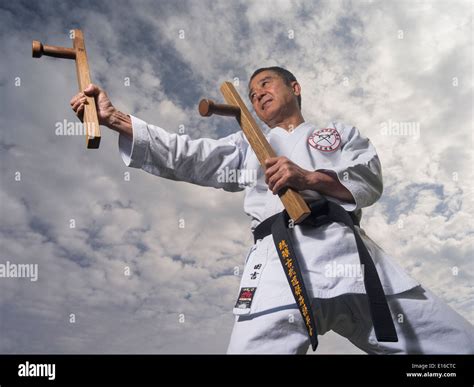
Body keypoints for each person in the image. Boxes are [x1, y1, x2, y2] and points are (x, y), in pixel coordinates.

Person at [70, 66, 474, 354]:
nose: (258, 93)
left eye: (266, 83)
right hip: (279, 266)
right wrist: (115, 119)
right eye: (251, 92)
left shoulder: (337, 134)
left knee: (457, 346)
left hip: (352, 261)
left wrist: (310, 178)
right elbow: (186, 155)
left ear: (295, 87)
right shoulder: (247, 144)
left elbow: (367, 181)